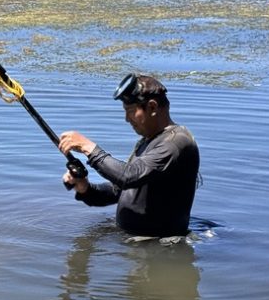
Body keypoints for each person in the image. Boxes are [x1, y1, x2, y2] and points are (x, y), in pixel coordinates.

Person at [58, 74, 200, 238]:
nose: (127, 119)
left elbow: (129, 176)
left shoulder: (176, 143)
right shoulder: (148, 142)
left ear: (152, 108)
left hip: (160, 248)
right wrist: (86, 189)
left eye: (131, 111)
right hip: (135, 244)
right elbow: (121, 190)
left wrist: (88, 147)